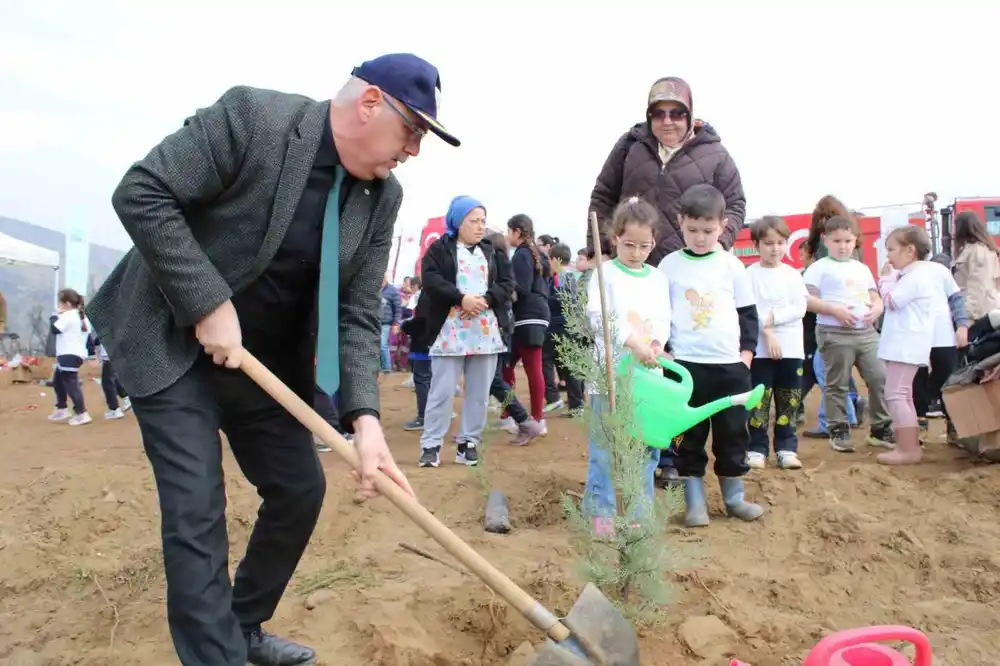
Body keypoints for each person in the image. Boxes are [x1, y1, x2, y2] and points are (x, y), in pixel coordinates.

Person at [86, 53, 454, 666]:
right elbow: (142, 191)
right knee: (197, 509)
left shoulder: (380, 198)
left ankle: (242, 627)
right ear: (369, 104)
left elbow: (356, 312)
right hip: (173, 344)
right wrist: (206, 301)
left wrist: (366, 422)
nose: (414, 149)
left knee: (298, 489)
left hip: (264, 365)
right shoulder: (254, 119)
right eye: (413, 130)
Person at [658, 185, 762, 527]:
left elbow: (748, 314)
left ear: (723, 225)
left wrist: (747, 354)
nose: (700, 238)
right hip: (686, 368)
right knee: (689, 436)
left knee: (734, 433)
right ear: (680, 222)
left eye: (708, 231)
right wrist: (667, 352)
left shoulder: (732, 266)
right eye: (692, 230)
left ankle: (734, 499)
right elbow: (660, 313)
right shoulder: (669, 265)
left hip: (730, 368)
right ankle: (695, 505)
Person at [588, 76, 746, 267]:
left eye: (677, 113)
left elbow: (735, 204)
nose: (667, 121)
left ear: (689, 115)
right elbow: (602, 198)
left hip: (690, 267)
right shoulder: (630, 145)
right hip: (631, 266)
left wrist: (720, 243)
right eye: (658, 113)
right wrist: (599, 251)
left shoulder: (716, 154)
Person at [584, 196, 671, 537]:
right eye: (629, 244)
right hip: (610, 373)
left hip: (648, 375)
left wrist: (655, 345)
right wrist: (632, 342)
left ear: (654, 242)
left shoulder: (658, 279)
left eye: (644, 246)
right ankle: (602, 515)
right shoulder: (603, 275)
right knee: (605, 449)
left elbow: (663, 320)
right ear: (614, 238)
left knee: (644, 450)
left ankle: (638, 514)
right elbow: (599, 318)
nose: (636, 252)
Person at [417, 196, 514, 468]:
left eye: (483, 221)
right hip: (449, 331)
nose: (481, 226)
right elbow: (431, 280)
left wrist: (487, 299)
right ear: (458, 222)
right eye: (474, 221)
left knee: (479, 392)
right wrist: (461, 299)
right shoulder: (439, 249)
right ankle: (431, 444)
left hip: (485, 330)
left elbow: (507, 282)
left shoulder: (492, 251)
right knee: (442, 390)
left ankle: (468, 443)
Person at [804, 215, 894, 454]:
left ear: (855, 240)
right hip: (834, 332)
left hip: (866, 332)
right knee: (837, 384)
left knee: (880, 377)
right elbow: (808, 300)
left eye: (847, 240)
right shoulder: (818, 268)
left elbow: (874, 296)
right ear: (826, 240)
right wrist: (834, 309)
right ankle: (838, 430)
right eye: (837, 241)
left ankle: (881, 428)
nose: (842, 246)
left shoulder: (861, 268)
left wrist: (877, 308)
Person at [745, 217, 808, 470]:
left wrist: (774, 320)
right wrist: (767, 332)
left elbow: (800, 307)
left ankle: (786, 448)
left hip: (791, 348)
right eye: (768, 243)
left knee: (789, 399)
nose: (775, 248)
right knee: (759, 401)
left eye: (780, 243)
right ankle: (756, 448)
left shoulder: (792, 274)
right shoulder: (748, 275)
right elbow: (747, 310)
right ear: (757, 244)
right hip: (759, 350)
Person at [875, 226, 940, 465]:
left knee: (897, 394)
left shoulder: (914, 277)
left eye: (892, 249)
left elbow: (892, 300)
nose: (888, 255)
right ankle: (907, 446)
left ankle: (908, 449)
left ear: (910, 250)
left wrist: (885, 278)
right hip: (907, 343)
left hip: (907, 344)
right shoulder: (916, 275)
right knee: (902, 394)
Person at [801, 196, 863, 437]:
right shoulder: (853, 244)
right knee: (838, 367)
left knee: (825, 368)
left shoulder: (823, 246)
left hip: (830, 314)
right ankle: (852, 407)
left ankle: (838, 418)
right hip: (853, 315)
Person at [485, 231, 545, 445]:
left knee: (497, 378)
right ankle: (522, 418)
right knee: (499, 376)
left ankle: (529, 419)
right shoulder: (519, 260)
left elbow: (516, 293)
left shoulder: (511, 262)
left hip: (510, 326)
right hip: (513, 325)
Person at [911, 252, 968, 441]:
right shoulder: (908, 273)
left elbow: (956, 299)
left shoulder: (943, 276)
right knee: (916, 377)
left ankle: (953, 425)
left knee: (948, 376)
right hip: (916, 334)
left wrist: (961, 326)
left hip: (943, 335)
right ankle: (920, 425)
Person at [503, 214, 551, 431]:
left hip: (527, 316)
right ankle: (512, 414)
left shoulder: (522, 255)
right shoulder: (538, 255)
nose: (506, 235)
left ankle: (536, 419)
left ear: (517, 232)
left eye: (508, 231)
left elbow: (520, 288)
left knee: (530, 367)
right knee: (508, 364)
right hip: (538, 315)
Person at [542, 242, 586, 416]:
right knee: (570, 366)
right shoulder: (572, 276)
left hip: (560, 326)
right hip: (570, 325)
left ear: (555, 259)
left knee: (549, 361)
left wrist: (544, 298)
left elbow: (563, 300)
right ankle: (576, 404)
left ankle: (560, 401)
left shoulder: (562, 276)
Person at [47, 288, 93, 426]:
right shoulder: (82, 316)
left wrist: (54, 316)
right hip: (76, 354)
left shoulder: (69, 315)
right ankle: (62, 408)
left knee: (71, 384)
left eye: (61, 302)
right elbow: (89, 337)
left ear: (66, 304)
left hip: (68, 354)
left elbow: (55, 329)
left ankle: (81, 413)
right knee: (58, 380)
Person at [952, 211, 1000, 331]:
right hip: (984, 307)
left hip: (976, 312)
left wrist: (967, 315)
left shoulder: (975, 251)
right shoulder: (984, 249)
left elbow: (977, 285)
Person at [96, 337, 131, 420]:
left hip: (110, 354)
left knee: (107, 383)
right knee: (113, 378)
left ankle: (114, 409)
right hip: (118, 354)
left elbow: (98, 339)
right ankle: (126, 397)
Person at [380, 275, 402, 373]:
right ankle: (380, 367)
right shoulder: (373, 288)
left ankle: (387, 368)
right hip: (373, 322)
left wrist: (396, 323)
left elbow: (398, 308)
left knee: (382, 345)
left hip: (385, 323)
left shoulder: (392, 290)